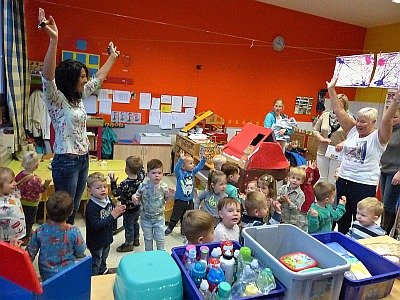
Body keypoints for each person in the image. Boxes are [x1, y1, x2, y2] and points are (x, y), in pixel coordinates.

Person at [39, 8, 120, 225]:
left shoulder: (79, 95)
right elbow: (47, 77)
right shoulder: (56, 99)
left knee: (73, 208)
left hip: (83, 159)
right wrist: (53, 40)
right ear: (71, 78)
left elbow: (99, 77)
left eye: (85, 76)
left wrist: (112, 57)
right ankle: (60, 245)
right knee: (64, 209)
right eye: (82, 77)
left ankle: (69, 240)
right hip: (66, 161)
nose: (86, 80)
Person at [327, 77, 400, 234]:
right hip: (344, 180)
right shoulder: (353, 130)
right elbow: (339, 111)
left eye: (363, 122)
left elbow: (387, 120)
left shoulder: (379, 138)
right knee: (342, 219)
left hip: (363, 184)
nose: (358, 124)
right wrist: (331, 89)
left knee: (361, 221)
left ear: (373, 122)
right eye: (358, 121)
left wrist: (396, 101)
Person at [26, 191, 86, 281]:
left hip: (46, 272)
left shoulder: (40, 230)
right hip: (68, 271)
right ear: (70, 213)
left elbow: (30, 253)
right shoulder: (74, 231)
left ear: (47, 212)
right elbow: (81, 250)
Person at [85, 172, 126, 275]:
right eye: (98, 188)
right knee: (96, 261)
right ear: (89, 191)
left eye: (105, 187)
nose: (103, 190)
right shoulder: (91, 207)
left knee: (104, 256)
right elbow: (95, 225)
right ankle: (94, 277)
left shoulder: (107, 200)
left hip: (106, 237)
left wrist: (119, 211)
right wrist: (112, 216)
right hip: (96, 241)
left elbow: (113, 213)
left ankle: (102, 269)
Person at [133, 159, 173, 251]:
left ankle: (160, 254)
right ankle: (149, 255)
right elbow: (136, 196)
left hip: (159, 219)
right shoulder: (143, 185)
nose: (157, 175)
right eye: (153, 173)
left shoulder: (164, 186)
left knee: (160, 239)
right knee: (148, 239)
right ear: (148, 174)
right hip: (145, 218)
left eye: (159, 173)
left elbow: (168, 199)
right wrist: (134, 198)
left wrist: (172, 196)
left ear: (163, 174)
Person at [165, 150, 207, 235]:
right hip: (180, 200)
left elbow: (199, 167)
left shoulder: (192, 172)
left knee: (187, 217)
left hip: (189, 200)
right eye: (190, 163)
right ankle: (170, 227)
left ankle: (184, 230)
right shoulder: (179, 173)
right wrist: (181, 160)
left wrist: (204, 159)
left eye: (192, 163)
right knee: (175, 215)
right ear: (183, 166)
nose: (193, 165)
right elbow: (176, 169)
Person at [313, 93, 350, 184]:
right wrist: (322, 139)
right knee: (321, 177)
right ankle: (319, 198)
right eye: (335, 102)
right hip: (323, 151)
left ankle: (331, 198)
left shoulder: (348, 118)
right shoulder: (324, 115)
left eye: (340, 103)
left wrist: (343, 143)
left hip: (338, 153)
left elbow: (353, 137)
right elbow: (315, 131)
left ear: (344, 106)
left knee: (332, 179)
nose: (336, 105)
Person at [110, 156, 145, 252]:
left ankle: (129, 244)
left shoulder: (124, 184)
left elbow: (115, 193)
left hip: (128, 209)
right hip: (137, 207)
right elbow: (142, 171)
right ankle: (136, 238)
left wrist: (113, 182)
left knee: (128, 225)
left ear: (126, 169)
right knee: (135, 222)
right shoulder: (141, 179)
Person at [15, 151, 52, 243]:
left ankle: (25, 232)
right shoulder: (36, 179)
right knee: (30, 220)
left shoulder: (19, 175)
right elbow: (42, 190)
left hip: (20, 202)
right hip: (32, 204)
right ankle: (26, 237)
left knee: (23, 219)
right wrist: (47, 184)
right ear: (36, 166)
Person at [380, 107, 400, 235]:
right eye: (390, 117)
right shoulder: (386, 129)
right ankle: (382, 230)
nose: (392, 120)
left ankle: (385, 232)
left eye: (395, 118)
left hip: (395, 171)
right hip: (384, 169)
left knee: (388, 204)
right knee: (384, 203)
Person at [0, 167, 26, 243]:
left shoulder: (13, 192)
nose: (15, 183)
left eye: (14, 180)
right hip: (8, 240)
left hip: (19, 234)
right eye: (11, 182)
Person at [299, 160, 320, 231]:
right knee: (301, 227)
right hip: (302, 211)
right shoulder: (302, 186)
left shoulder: (310, 185)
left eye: (311, 176)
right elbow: (304, 178)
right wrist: (309, 170)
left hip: (309, 210)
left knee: (307, 227)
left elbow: (317, 177)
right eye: (309, 176)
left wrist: (315, 169)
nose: (310, 178)